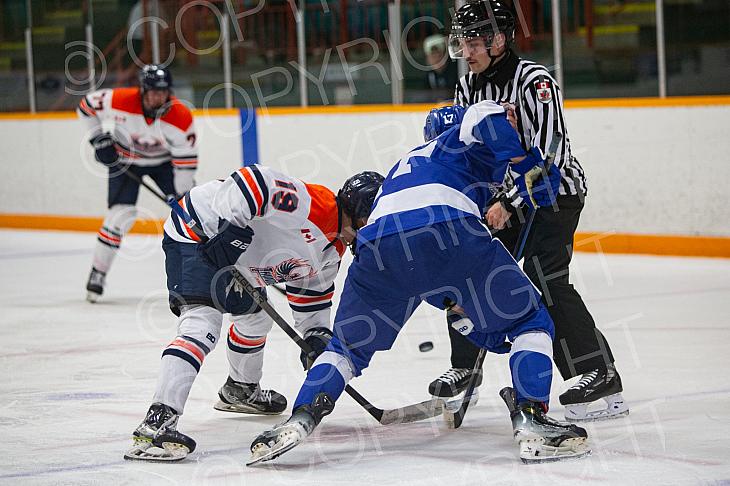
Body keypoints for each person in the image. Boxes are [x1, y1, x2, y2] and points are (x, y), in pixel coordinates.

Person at [247, 101, 590, 465]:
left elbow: (422, 272)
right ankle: (532, 419)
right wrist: (523, 161)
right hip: (449, 231)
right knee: (529, 321)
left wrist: (467, 313)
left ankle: (301, 417)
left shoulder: (406, 166)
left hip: (377, 248)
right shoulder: (463, 136)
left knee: (344, 349)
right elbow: (486, 117)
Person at [427, 0, 628, 423]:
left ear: (498, 39)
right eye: (461, 41)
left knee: (543, 276)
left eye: (473, 40)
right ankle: (465, 367)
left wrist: (510, 202)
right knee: (466, 269)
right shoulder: (468, 87)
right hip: (504, 201)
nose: (465, 49)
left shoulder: (534, 81)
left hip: (555, 195)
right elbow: (468, 154)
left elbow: (550, 154)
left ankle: (598, 372)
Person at [123, 164, 384, 462]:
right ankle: (156, 423)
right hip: (200, 232)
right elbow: (253, 180)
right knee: (201, 325)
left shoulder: (330, 253)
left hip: (239, 263)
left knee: (255, 319)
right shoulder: (318, 205)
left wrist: (316, 337)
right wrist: (231, 228)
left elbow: (311, 304)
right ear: (363, 212)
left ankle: (240, 390)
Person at [78, 65, 198, 303]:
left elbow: (185, 162)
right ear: (142, 90)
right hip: (125, 162)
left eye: (163, 92)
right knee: (121, 215)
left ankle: (201, 274)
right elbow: (87, 106)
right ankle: (98, 272)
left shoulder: (181, 116)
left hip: (164, 164)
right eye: (153, 91)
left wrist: (182, 195)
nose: (158, 96)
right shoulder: (120, 99)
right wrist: (98, 139)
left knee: (191, 213)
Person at [423, 34, 460, 102]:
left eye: (439, 54)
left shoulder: (458, 72)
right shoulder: (427, 76)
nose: (436, 59)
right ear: (427, 58)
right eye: (432, 55)